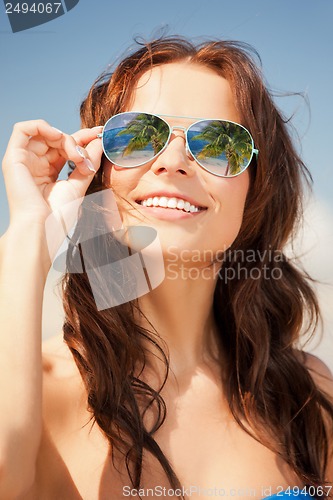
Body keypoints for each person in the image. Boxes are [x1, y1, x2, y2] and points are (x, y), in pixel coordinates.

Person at [0, 35, 332, 500]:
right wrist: (31, 232)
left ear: (256, 189)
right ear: (96, 170)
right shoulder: (36, 393)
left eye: (220, 144)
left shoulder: (306, 397)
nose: (173, 162)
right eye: (137, 135)